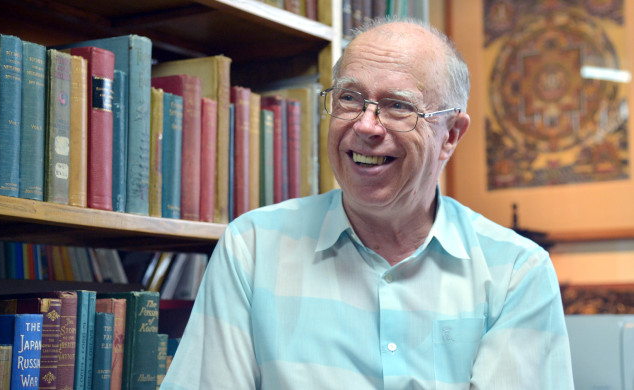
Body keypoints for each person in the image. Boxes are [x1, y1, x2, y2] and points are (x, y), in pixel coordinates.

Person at [160, 17, 574, 389]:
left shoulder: (517, 272)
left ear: (450, 136)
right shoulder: (252, 248)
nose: (365, 125)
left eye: (398, 106)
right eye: (350, 98)